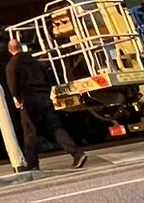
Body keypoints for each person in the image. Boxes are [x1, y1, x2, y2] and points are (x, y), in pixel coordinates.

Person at [7, 37, 86, 169]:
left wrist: (18, 99)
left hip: (28, 100)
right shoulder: (36, 62)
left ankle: (33, 164)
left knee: (29, 132)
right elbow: (47, 79)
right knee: (56, 127)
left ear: (10, 50)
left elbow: (13, 85)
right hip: (44, 97)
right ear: (21, 47)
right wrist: (46, 93)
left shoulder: (12, 65)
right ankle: (77, 154)